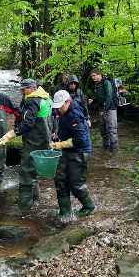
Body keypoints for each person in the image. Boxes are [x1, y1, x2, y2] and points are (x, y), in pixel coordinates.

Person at [50, 90, 95, 222]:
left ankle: (88, 206)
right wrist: (56, 135)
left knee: (76, 183)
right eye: (56, 107)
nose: (58, 109)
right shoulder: (62, 110)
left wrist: (60, 144)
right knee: (60, 180)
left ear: (68, 102)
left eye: (60, 106)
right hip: (67, 151)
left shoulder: (75, 114)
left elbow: (79, 140)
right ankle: (65, 212)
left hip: (79, 151)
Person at [13, 78, 53, 210]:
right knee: (34, 170)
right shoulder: (46, 98)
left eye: (24, 89)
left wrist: (15, 132)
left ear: (32, 88)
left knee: (26, 171)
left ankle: (24, 205)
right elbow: (54, 119)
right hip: (45, 139)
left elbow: (28, 122)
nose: (22, 91)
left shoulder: (32, 100)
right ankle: (35, 200)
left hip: (33, 140)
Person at [88, 68, 118, 152]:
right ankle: (105, 148)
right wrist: (93, 100)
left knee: (112, 129)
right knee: (103, 129)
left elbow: (109, 96)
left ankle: (114, 150)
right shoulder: (97, 84)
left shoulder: (106, 82)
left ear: (99, 75)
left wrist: (105, 109)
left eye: (94, 76)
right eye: (91, 76)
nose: (93, 78)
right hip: (101, 109)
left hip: (110, 108)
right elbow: (100, 97)